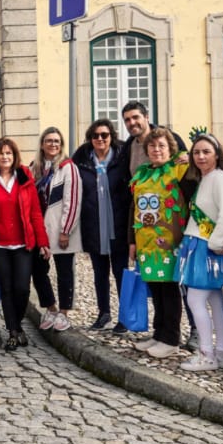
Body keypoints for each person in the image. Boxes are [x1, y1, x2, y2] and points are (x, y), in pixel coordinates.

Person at [0, 137, 51, 351]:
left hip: (23, 245)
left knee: (22, 289)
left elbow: (35, 213)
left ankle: (16, 327)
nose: (5, 157)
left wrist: (43, 242)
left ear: (14, 156)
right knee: (6, 289)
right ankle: (14, 332)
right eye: (1, 153)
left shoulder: (25, 178)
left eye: (9, 153)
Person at [174, 130, 223, 371]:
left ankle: (207, 355)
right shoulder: (208, 178)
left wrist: (216, 241)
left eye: (206, 152)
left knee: (195, 299)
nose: (200, 156)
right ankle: (221, 353)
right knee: (214, 300)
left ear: (217, 154)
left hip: (204, 246)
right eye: (197, 152)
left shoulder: (219, 178)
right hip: (200, 243)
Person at [128, 127, 189, 359]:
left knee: (169, 289)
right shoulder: (141, 174)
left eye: (161, 146)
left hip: (170, 242)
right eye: (152, 146)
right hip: (146, 243)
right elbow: (134, 209)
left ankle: (171, 338)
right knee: (155, 288)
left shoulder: (179, 170)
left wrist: (189, 156)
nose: (156, 150)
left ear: (171, 148)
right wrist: (131, 241)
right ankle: (158, 333)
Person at [72, 120, 131, 331]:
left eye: (104, 135)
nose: (100, 139)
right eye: (96, 135)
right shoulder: (82, 161)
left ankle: (124, 317)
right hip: (93, 225)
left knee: (121, 273)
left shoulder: (123, 159)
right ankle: (103, 313)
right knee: (99, 273)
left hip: (118, 224)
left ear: (111, 137)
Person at [32, 127, 81, 332]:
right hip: (40, 229)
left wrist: (66, 230)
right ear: (42, 144)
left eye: (57, 141)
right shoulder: (36, 168)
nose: (53, 144)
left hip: (60, 228)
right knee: (38, 269)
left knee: (64, 271)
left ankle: (64, 313)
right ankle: (50, 308)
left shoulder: (68, 168)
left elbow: (73, 199)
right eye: (49, 141)